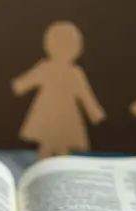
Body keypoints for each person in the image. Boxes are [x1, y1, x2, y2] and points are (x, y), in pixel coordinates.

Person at [11, 21, 105, 158]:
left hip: (62, 115)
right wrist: (95, 113)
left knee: (60, 145)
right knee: (48, 146)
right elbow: (25, 82)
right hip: (50, 113)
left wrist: (94, 113)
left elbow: (85, 95)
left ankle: (58, 171)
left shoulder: (74, 72)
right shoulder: (47, 67)